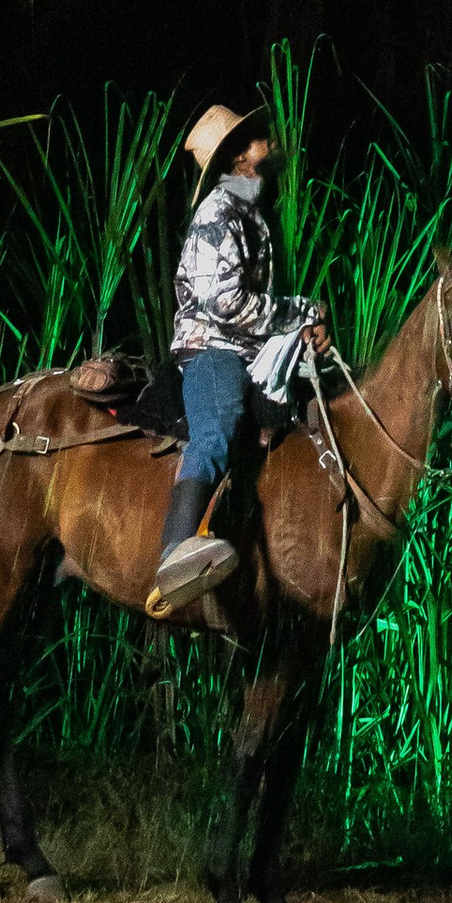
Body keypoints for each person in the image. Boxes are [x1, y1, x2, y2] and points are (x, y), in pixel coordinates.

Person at [149, 100, 325, 613]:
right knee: (217, 426)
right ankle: (175, 551)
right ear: (240, 156)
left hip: (250, 346)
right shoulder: (217, 213)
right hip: (214, 347)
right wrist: (299, 310)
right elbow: (225, 303)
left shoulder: (251, 214)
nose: (269, 143)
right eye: (258, 138)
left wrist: (306, 325)